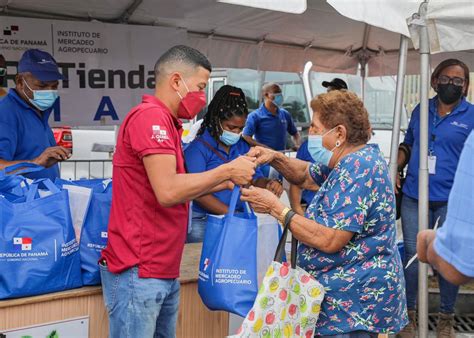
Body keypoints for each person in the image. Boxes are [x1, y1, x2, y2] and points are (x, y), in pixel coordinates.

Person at [99, 45, 256, 338]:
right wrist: (226, 171)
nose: (201, 97)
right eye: (199, 87)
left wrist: (223, 182)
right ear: (175, 81)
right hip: (140, 267)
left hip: (161, 266)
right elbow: (168, 191)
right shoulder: (150, 118)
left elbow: (178, 183)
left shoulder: (169, 123)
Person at [241, 90, 408, 337]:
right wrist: (275, 157)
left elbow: (329, 240)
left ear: (339, 133)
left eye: (316, 128)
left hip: (353, 307)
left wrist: (276, 208)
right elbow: (306, 175)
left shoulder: (357, 168)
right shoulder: (349, 160)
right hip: (344, 304)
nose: (311, 135)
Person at [396, 59, 474, 338]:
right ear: (434, 80)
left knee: (447, 258)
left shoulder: (472, 115)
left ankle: (446, 318)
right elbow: (409, 143)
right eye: (446, 78)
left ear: (465, 86)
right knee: (412, 257)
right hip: (415, 194)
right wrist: (397, 164)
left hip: (451, 200)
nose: (451, 84)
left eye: (458, 81)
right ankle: (409, 316)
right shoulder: (421, 110)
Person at [184, 85, 283, 243]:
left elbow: (254, 179)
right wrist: (232, 216)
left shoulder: (243, 146)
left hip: (237, 218)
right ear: (216, 120)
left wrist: (269, 183)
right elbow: (198, 193)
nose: (236, 133)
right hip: (203, 222)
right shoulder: (197, 149)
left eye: (241, 128)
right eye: (231, 127)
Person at [0, 49, 70, 180]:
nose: (49, 91)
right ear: (20, 82)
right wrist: (35, 163)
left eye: (54, 86)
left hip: (44, 197)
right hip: (19, 199)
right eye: (42, 86)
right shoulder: (5, 113)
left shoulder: (38, 110)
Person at [417, 131, 474, 286]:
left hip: (445, 196)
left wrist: (428, 240)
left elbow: (457, 265)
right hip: (417, 193)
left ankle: (446, 310)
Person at [242, 82, 301, 151]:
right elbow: (246, 136)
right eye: (276, 92)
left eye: (280, 92)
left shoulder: (285, 114)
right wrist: (265, 148)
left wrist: (298, 145)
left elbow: (295, 133)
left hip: (281, 157)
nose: (280, 95)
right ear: (266, 95)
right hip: (264, 159)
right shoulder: (255, 116)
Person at [288, 139, 318, 215]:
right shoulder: (308, 146)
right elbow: (296, 180)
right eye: (311, 126)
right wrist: (300, 213)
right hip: (313, 212)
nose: (311, 130)